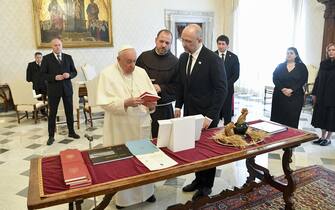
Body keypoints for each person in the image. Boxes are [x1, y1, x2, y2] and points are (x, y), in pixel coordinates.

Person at [96, 46, 157, 208]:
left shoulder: (141, 72)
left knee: (145, 159)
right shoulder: (107, 74)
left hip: (141, 124)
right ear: (118, 60)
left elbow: (151, 96)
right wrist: (125, 103)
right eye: (128, 62)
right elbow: (104, 102)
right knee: (124, 163)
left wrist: (152, 105)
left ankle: (147, 192)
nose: (132, 65)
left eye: (134, 61)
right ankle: (124, 199)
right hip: (120, 127)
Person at [175, 24, 228, 200]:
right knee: (195, 149)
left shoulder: (213, 59)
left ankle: (206, 186)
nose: (184, 44)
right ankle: (198, 179)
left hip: (207, 115)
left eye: (188, 41)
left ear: (200, 40)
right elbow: (182, 85)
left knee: (207, 151)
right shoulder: (183, 58)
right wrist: (178, 106)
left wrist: (210, 116)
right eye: (182, 39)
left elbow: (222, 90)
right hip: (190, 112)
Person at [136, 29, 179, 138]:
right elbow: (134, 79)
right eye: (161, 41)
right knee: (143, 139)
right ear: (156, 40)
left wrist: (161, 88)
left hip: (164, 110)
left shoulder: (175, 62)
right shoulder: (143, 57)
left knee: (163, 141)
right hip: (143, 108)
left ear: (170, 44)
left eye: (167, 43)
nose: (163, 45)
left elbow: (178, 87)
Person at [41, 38, 80, 146]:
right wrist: (54, 77)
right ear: (52, 47)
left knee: (69, 112)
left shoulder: (68, 57)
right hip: (53, 90)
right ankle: (51, 136)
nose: (57, 47)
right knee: (52, 114)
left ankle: (71, 132)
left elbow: (74, 72)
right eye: (55, 45)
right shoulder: (46, 59)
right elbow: (43, 75)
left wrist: (69, 75)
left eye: (59, 45)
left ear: (61, 46)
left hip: (67, 89)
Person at [270, 47, 308, 128]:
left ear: (296, 55)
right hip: (280, 95)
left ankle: (290, 136)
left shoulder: (302, 67)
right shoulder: (280, 66)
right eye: (287, 53)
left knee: (292, 118)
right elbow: (275, 78)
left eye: (291, 53)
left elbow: (303, 80)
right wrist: (283, 89)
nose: (289, 55)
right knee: (278, 117)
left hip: (295, 96)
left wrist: (291, 89)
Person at [311, 43, 335, 146]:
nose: (331, 52)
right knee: (322, 116)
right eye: (329, 50)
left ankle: (328, 139)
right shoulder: (323, 63)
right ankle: (322, 137)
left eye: (333, 50)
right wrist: (314, 93)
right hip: (321, 94)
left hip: (333, 96)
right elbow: (318, 79)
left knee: (331, 117)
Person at [214, 35, 240, 124]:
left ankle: (227, 130)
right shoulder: (212, 56)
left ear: (227, 45)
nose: (221, 46)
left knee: (227, 111)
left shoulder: (233, 57)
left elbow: (236, 75)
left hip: (228, 89)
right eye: (219, 44)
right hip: (214, 90)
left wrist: (225, 85)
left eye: (223, 44)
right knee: (215, 112)